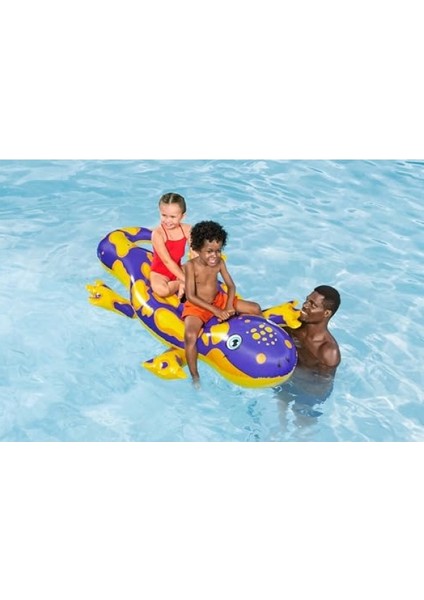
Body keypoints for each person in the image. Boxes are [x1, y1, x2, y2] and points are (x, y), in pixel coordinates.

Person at [182, 220, 262, 385]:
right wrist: (216, 311)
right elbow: (190, 296)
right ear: (197, 249)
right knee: (190, 336)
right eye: (209, 251)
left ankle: (259, 343)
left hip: (219, 299)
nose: (214, 256)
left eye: (218, 251)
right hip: (198, 306)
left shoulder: (219, 263)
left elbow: (231, 286)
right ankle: (195, 376)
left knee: (255, 308)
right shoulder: (190, 266)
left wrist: (228, 306)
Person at [284, 285, 341, 375]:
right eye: (307, 300)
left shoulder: (328, 352)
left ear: (326, 313)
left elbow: (321, 383)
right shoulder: (291, 321)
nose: (305, 305)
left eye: (313, 305)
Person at [150, 192, 192, 299]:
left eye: (173, 217)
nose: (168, 220)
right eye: (164, 215)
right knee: (162, 291)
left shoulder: (187, 230)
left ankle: (181, 282)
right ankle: (179, 284)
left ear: (182, 216)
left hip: (179, 268)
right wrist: (186, 280)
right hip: (160, 273)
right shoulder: (158, 234)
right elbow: (167, 261)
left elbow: (195, 252)